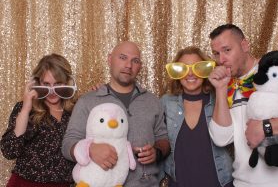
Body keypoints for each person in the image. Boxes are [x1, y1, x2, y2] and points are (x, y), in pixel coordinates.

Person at [62, 41, 170, 187]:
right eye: (122, 57)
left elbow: (163, 139)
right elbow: (68, 143)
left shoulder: (152, 101)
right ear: (109, 59)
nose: (128, 65)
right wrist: (90, 149)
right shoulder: (88, 101)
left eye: (135, 61)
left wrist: (156, 153)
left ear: (140, 67)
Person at [208, 23, 278, 187]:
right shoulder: (227, 85)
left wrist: (266, 127)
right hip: (243, 183)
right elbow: (221, 139)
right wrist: (221, 90)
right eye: (216, 53)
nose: (221, 60)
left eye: (227, 50)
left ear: (245, 45)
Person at [160, 46, 233, 187]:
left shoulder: (219, 100)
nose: (191, 73)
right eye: (183, 68)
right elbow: (157, 139)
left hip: (218, 182)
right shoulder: (166, 103)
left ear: (206, 70)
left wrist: (221, 89)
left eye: (197, 67)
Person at [0, 53, 77, 187]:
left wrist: (98, 95)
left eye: (58, 84)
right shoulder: (25, 109)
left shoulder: (76, 110)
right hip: (25, 183)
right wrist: (26, 108)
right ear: (37, 83)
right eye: (46, 84)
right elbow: (10, 151)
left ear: (67, 83)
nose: (52, 91)